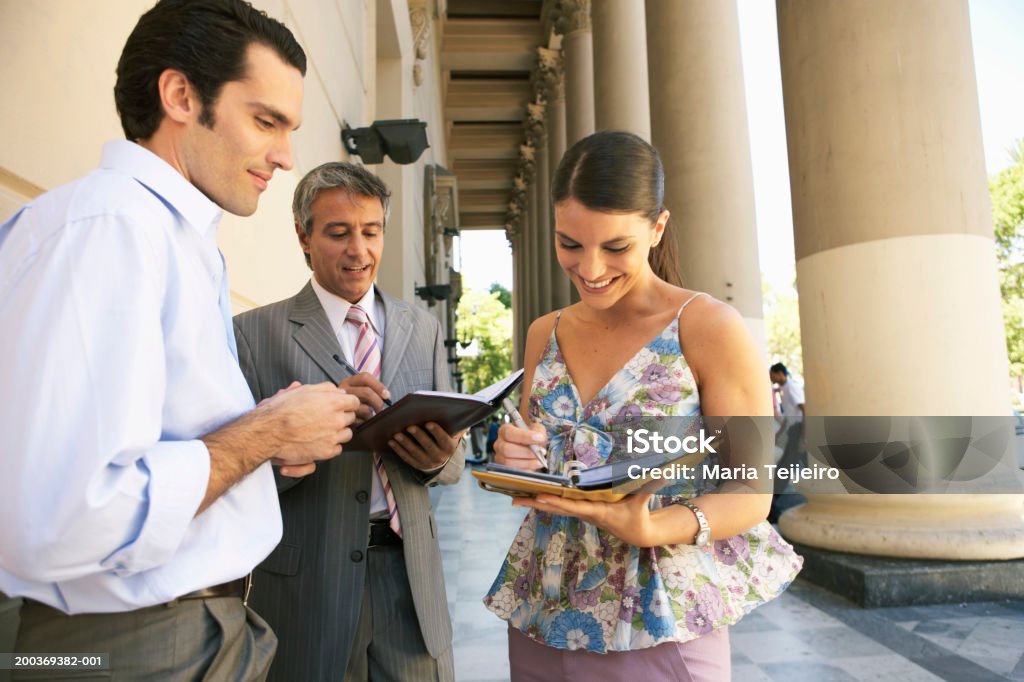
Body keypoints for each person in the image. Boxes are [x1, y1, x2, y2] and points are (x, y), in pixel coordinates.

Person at [0, 1, 363, 679]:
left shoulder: (165, 235)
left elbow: (147, 448)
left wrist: (267, 441)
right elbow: (63, 518)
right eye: (266, 121)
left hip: (181, 631)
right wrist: (264, 433)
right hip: (127, 647)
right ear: (180, 96)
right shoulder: (110, 231)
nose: (285, 156)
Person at [484, 131, 803, 680]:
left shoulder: (707, 327)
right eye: (569, 244)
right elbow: (538, 457)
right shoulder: (544, 332)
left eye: (615, 247)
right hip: (541, 601)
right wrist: (514, 455)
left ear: (656, 228)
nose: (589, 268)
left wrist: (651, 529)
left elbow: (751, 492)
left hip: (656, 608)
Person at [233, 162, 465, 681]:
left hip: (410, 585)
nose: (358, 250)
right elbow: (233, 471)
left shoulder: (422, 329)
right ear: (304, 238)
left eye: (371, 232)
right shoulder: (252, 334)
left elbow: (455, 465)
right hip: (304, 584)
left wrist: (441, 457)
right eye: (338, 233)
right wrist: (306, 433)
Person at [769, 362, 807, 521]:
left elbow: (804, 410)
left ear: (780, 373)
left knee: (785, 466)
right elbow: (789, 413)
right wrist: (780, 431)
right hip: (793, 430)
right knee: (790, 465)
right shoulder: (784, 389)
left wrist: (804, 437)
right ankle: (773, 504)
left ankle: (773, 506)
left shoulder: (792, 387)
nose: (770, 377)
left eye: (772, 374)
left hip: (799, 430)